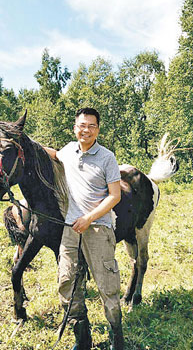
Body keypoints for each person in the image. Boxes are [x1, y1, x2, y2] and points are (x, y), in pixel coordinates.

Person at [44, 108, 124, 350]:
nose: (86, 130)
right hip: (71, 230)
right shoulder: (68, 151)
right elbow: (54, 154)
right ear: (74, 128)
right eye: (82, 125)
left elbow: (115, 196)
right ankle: (83, 338)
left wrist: (89, 218)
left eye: (91, 126)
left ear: (97, 129)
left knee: (107, 286)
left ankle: (116, 338)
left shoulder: (107, 157)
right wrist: (26, 143)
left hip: (98, 228)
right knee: (67, 281)